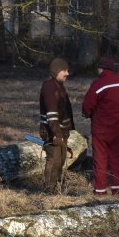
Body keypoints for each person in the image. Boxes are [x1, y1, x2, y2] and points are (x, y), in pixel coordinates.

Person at [82, 56, 119, 196]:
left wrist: (88, 114)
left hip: (101, 128)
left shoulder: (98, 84)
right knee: (116, 158)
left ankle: (100, 191)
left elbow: (87, 106)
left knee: (100, 159)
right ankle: (118, 190)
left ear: (101, 68)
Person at [39, 57, 75, 194]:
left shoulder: (58, 86)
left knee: (60, 161)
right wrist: (56, 134)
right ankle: (49, 190)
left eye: (67, 70)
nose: (67, 73)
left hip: (61, 131)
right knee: (53, 161)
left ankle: (57, 188)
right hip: (52, 131)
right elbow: (52, 115)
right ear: (56, 71)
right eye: (64, 71)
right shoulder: (50, 88)